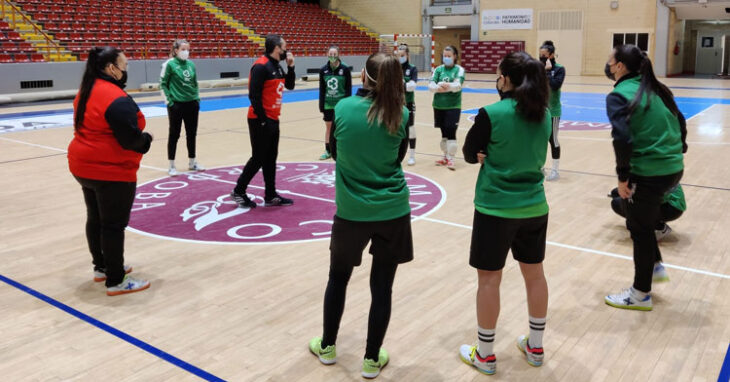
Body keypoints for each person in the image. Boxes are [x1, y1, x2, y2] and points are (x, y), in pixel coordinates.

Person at [308, 52, 412, 379]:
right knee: (382, 288)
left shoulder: (342, 109)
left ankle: (327, 346)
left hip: (351, 211)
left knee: (337, 279)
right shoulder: (402, 114)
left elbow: (336, 151)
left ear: (364, 77)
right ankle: (370, 360)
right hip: (392, 211)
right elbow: (397, 158)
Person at [459, 51, 552, 375]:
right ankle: (536, 346)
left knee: (489, 280)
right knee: (535, 275)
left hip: (495, 208)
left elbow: (470, 153)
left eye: (499, 74)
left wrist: (485, 154)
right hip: (535, 207)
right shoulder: (545, 113)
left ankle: (485, 354)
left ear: (508, 79)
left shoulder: (490, 113)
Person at [603, 44, 687, 311]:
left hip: (650, 172)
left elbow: (622, 138)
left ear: (619, 66)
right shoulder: (656, 88)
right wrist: (678, 147)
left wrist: (623, 177)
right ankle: (654, 264)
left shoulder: (620, 94)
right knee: (640, 215)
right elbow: (681, 120)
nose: (608, 64)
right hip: (673, 168)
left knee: (638, 228)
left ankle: (640, 294)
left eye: (610, 60)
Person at [68, 47, 153, 296]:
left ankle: (102, 267)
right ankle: (116, 280)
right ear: (110, 68)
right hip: (110, 170)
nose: (126, 69)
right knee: (113, 225)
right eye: (124, 65)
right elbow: (131, 140)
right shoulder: (115, 98)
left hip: (83, 165)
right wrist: (146, 139)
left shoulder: (86, 89)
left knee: (95, 218)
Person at [230, 35, 295, 208]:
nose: (286, 50)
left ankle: (270, 195)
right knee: (258, 157)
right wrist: (264, 120)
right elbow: (254, 95)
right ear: (276, 48)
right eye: (284, 47)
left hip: (274, 118)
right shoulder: (261, 66)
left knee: (271, 158)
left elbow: (290, 85)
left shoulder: (278, 66)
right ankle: (238, 191)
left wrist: (291, 67)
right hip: (260, 120)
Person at [160, 39, 204, 176]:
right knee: (174, 134)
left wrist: (197, 98)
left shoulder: (191, 64)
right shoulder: (169, 64)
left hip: (192, 104)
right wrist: (169, 102)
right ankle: (172, 165)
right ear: (176, 50)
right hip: (176, 105)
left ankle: (192, 161)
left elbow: (194, 83)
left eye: (188, 49)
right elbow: (162, 84)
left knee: (192, 134)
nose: (186, 52)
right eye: (183, 49)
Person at [609, 184, 685, 243]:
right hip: (665, 202)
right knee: (616, 193)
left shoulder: (656, 175)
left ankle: (660, 228)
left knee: (618, 204)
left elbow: (656, 199)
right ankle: (647, 222)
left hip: (672, 208)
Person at [429, 45, 465, 170]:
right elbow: (431, 86)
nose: (446, 58)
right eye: (445, 56)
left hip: (453, 106)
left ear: (455, 57)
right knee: (443, 133)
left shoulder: (459, 70)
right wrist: (439, 88)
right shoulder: (438, 69)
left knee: (451, 132)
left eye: (449, 56)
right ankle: (445, 156)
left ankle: (451, 158)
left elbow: (457, 86)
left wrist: (443, 86)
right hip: (438, 106)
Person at [318, 45, 352, 160]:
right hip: (328, 104)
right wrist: (321, 105)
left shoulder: (345, 69)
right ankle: (328, 150)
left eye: (334, 54)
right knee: (329, 128)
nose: (332, 56)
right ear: (327, 54)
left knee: (341, 128)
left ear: (338, 54)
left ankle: (341, 150)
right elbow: (322, 89)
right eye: (330, 54)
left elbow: (348, 89)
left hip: (341, 105)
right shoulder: (323, 70)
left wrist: (347, 104)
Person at [538, 40, 565, 181]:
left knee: (552, 140)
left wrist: (547, 72)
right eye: (540, 55)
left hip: (553, 111)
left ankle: (555, 170)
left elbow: (555, 85)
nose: (541, 57)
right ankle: (540, 167)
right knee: (538, 139)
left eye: (544, 55)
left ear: (552, 55)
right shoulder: (537, 68)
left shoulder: (559, 69)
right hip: (539, 110)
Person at [397, 43, 418, 166]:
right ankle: (396, 154)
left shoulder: (412, 68)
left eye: (403, 55)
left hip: (409, 103)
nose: (401, 57)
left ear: (407, 55)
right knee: (395, 129)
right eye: (399, 55)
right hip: (396, 104)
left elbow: (412, 86)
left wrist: (401, 85)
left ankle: (412, 156)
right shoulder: (393, 68)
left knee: (410, 129)